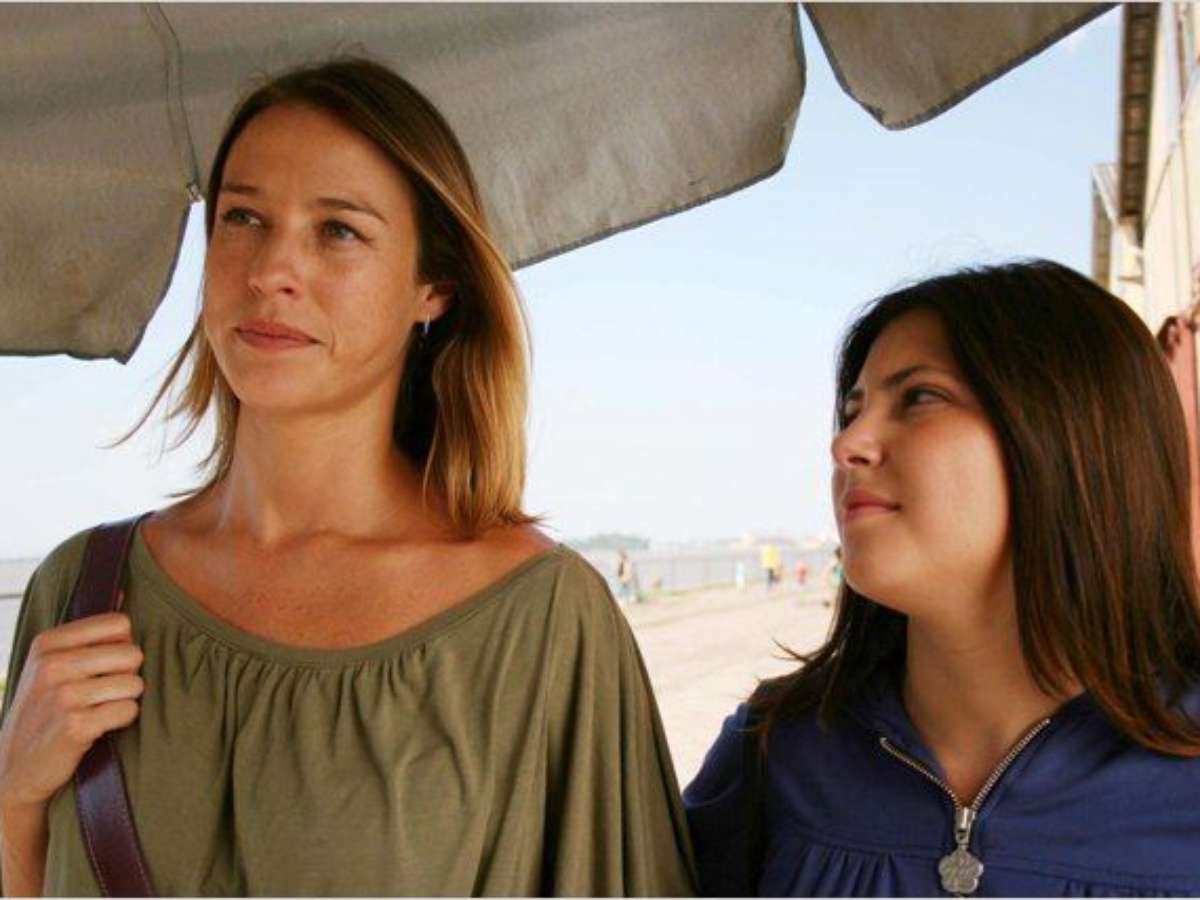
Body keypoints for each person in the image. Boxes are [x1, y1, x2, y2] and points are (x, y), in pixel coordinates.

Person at [0, 58, 694, 897]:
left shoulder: (540, 622)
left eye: (337, 230)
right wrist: (12, 799)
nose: (270, 270)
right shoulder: (80, 593)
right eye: (243, 217)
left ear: (433, 286)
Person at [684, 261, 1200, 896]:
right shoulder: (773, 753)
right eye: (852, 410)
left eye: (920, 397)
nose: (847, 444)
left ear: (1077, 436)